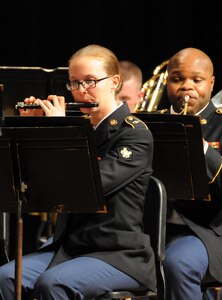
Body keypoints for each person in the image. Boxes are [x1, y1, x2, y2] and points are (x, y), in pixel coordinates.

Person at [0, 44, 155, 299]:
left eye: (90, 81)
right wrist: (34, 128)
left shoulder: (135, 134)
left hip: (117, 253)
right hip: (71, 246)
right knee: (6, 278)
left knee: (54, 284)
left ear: (114, 82)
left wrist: (60, 133)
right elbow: (42, 185)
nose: (81, 91)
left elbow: (86, 186)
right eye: (74, 83)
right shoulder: (81, 128)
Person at [163, 47, 222, 300]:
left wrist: (201, 147)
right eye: (177, 79)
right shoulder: (152, 123)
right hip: (159, 228)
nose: (186, 87)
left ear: (212, 82)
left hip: (214, 233)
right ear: (167, 81)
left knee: (177, 263)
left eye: (196, 80)